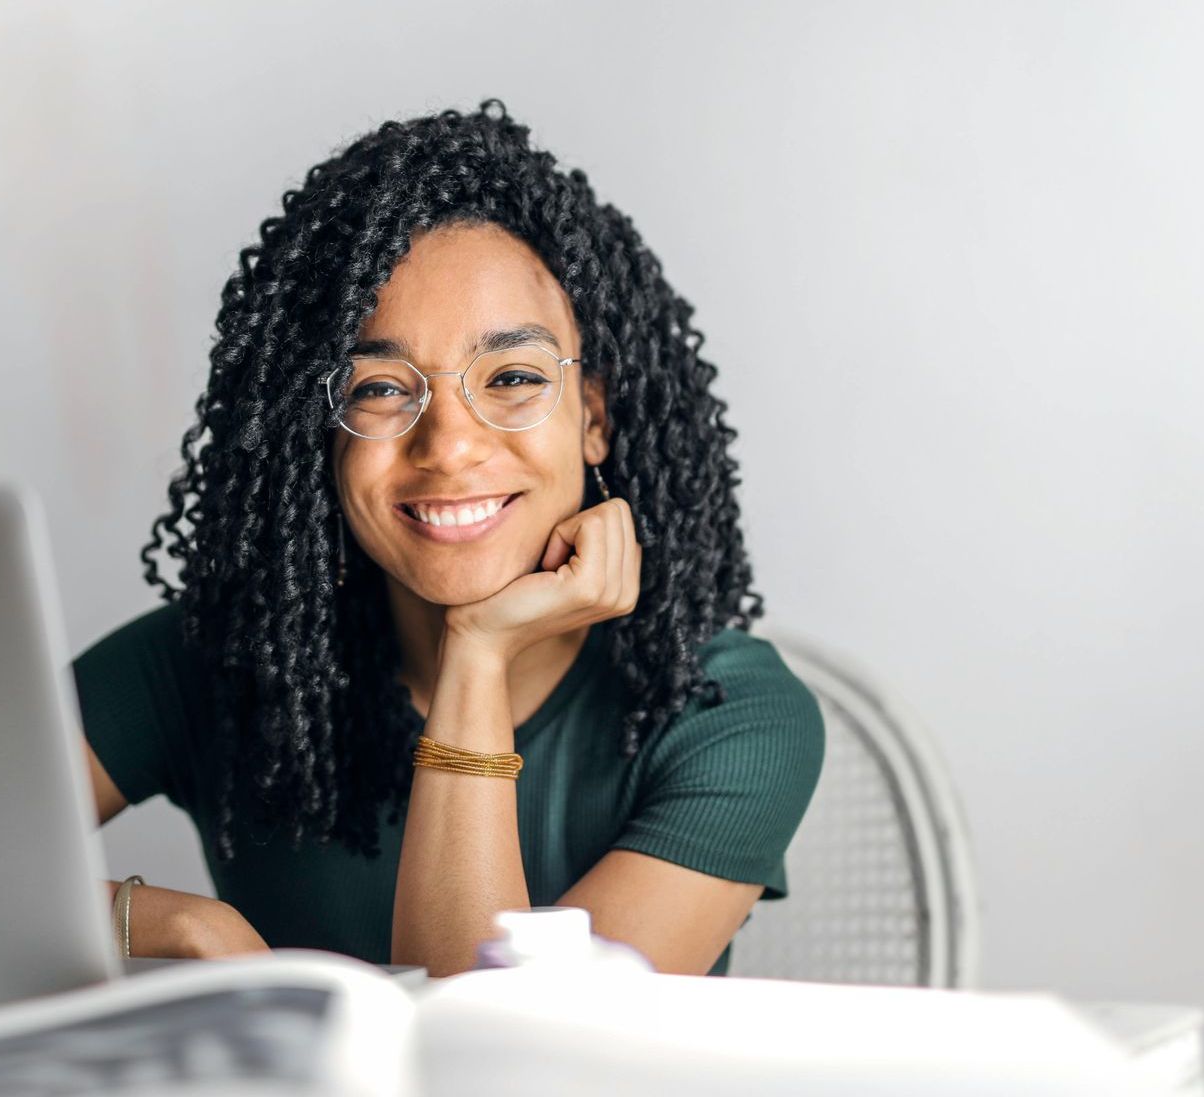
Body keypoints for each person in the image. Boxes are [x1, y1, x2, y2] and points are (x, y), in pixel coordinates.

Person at [72, 99, 824, 978]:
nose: (451, 444)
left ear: (595, 417)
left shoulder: (727, 713)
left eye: (510, 376)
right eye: (381, 389)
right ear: (318, 432)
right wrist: (176, 924)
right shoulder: (217, 658)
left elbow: (501, 1056)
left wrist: (478, 652)